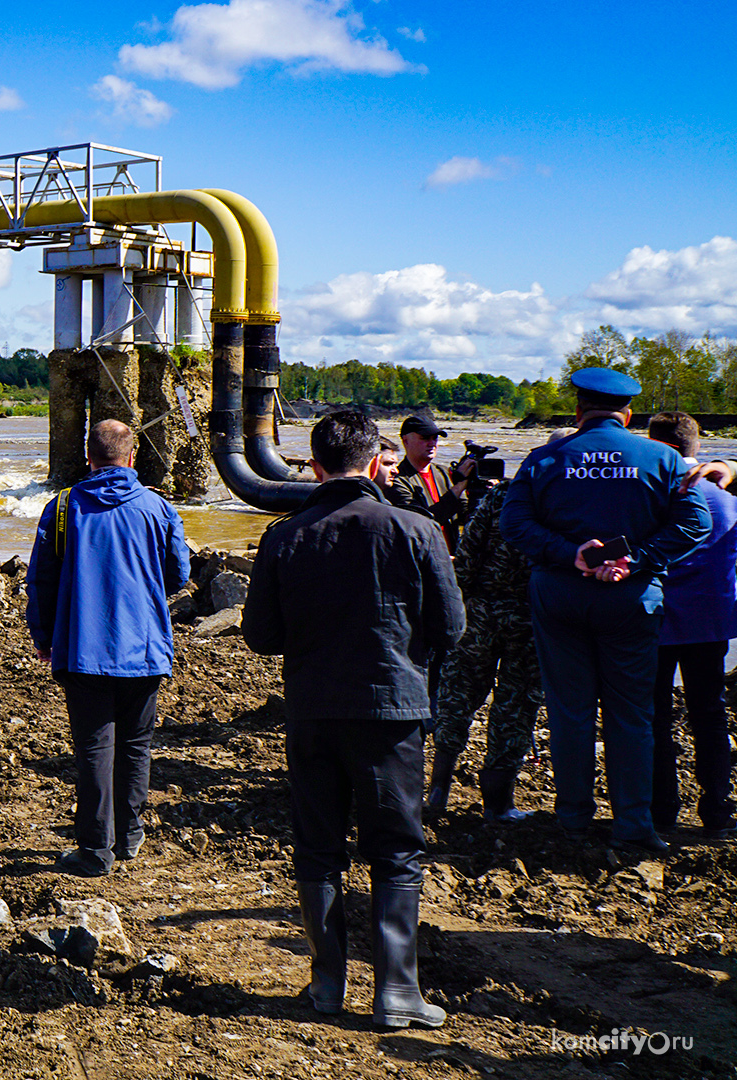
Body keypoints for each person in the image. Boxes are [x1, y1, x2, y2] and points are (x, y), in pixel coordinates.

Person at [245, 409, 464, 1030]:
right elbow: (452, 628)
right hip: (391, 712)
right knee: (396, 849)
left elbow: (261, 636)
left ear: (313, 468)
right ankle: (396, 991)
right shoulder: (416, 529)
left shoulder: (284, 537)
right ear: (375, 462)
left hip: (313, 709)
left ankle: (326, 984)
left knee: (318, 846)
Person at [499, 369, 710, 856]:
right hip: (631, 599)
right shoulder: (664, 459)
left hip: (560, 594)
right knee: (632, 712)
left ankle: (572, 817)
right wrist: (637, 558)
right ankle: (633, 824)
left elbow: (514, 523)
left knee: (570, 710)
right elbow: (695, 523)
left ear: (578, 411)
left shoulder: (545, 457)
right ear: (629, 413)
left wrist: (568, 553)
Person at [26, 419, 190, 877]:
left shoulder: (62, 508)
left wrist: (44, 639)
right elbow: (178, 575)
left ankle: (96, 850)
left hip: (82, 649)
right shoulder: (158, 508)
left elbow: (41, 581)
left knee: (95, 749)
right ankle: (130, 835)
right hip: (144, 649)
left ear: (88, 455)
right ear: (132, 456)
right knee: (136, 746)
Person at [427, 452, 543, 823]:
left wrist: (464, 602)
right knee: (515, 704)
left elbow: (468, 551)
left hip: (481, 611)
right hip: (528, 618)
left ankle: (438, 790)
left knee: (458, 695)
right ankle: (498, 804)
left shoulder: (500, 496)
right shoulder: (562, 501)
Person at [646, 412, 737, 841]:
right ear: (695, 446)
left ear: (654, 442)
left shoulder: (651, 488)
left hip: (657, 617)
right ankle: (716, 810)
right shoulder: (725, 494)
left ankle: (662, 809)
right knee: (710, 713)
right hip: (710, 616)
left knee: (655, 716)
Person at [384, 415, 474, 547]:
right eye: (424, 438)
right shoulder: (396, 480)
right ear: (406, 441)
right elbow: (421, 523)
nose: (432, 443)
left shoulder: (444, 473)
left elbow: (465, 514)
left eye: (435, 438)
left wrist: (483, 494)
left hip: (450, 554)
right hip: (420, 557)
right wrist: (458, 487)